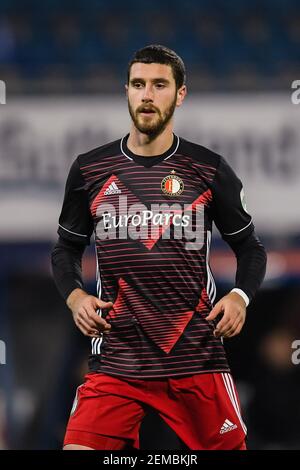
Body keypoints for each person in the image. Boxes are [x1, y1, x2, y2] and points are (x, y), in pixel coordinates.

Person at [51, 44, 267, 450]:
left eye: (159, 85)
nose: (147, 95)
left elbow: (251, 249)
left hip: (195, 359)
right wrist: (75, 295)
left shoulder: (209, 169)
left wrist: (240, 296)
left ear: (180, 93)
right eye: (138, 84)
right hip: (117, 361)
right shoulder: (89, 170)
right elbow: (65, 249)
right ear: (126, 91)